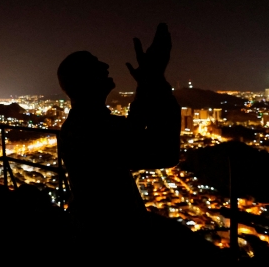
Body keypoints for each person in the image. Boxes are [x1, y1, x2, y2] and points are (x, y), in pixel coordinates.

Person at [57, 23, 181, 253]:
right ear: (82, 80)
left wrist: (147, 83)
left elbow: (132, 127)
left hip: (99, 233)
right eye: (94, 65)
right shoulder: (92, 129)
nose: (105, 65)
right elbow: (165, 151)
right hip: (115, 241)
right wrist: (155, 79)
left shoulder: (86, 123)